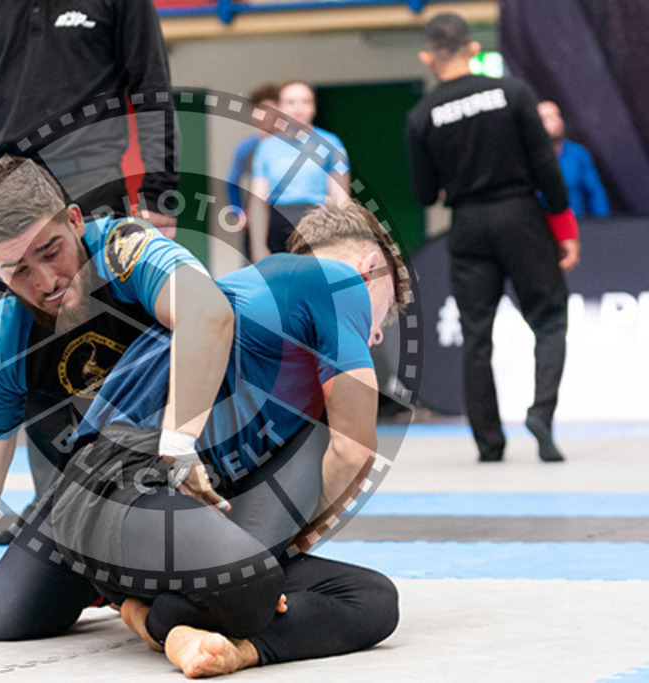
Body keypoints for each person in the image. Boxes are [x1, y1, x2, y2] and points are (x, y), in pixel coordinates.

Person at [0, 157, 233, 641]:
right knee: (7, 618)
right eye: (20, 270)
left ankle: (141, 584)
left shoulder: (125, 249)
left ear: (75, 221)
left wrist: (179, 442)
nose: (47, 281)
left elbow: (209, 311)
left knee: (222, 594)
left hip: (200, 459)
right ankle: (123, 595)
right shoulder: (3, 342)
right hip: (103, 487)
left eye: (52, 251)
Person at [48, 199, 410, 676]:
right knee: (252, 587)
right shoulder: (336, 285)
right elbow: (356, 450)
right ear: (369, 267)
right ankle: (153, 616)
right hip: (129, 482)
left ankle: (230, 643)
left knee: (373, 598)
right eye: (383, 316)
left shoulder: (268, 303)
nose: (377, 336)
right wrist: (294, 543)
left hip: (137, 507)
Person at [404, 13, 581, 463]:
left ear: (428, 58)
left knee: (476, 335)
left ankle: (489, 443)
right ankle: (541, 415)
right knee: (548, 320)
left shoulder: (421, 116)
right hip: (521, 216)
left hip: (467, 225)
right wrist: (564, 227)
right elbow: (547, 167)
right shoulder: (512, 92)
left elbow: (425, 194)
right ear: (473, 49)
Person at [0, 0, 180, 281]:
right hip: (9, 189)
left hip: (93, 182)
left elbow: (151, 93)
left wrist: (157, 195)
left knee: (104, 311)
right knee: (33, 319)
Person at [247, 80, 351, 262]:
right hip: (278, 228)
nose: (298, 108)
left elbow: (342, 199)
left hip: (317, 224)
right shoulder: (266, 148)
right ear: (279, 108)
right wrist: (258, 246)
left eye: (305, 101)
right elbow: (257, 202)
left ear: (314, 107)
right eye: (291, 102)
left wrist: (344, 241)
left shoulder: (331, 143)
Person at [224, 82, 280, 258]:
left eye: (265, 109)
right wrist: (238, 212)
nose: (259, 115)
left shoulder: (294, 146)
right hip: (259, 218)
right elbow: (232, 182)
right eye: (255, 109)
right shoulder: (248, 148)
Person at [537, 100, 611, 218]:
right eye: (546, 118)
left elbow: (595, 192)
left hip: (576, 226)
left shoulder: (577, 154)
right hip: (539, 229)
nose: (554, 122)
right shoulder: (526, 157)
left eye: (557, 116)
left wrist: (603, 225)